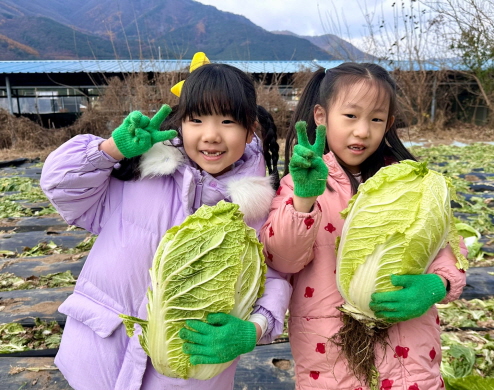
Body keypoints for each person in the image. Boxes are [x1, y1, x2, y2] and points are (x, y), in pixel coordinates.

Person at [40, 52, 291, 390]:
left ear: (250, 131)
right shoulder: (139, 175)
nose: (211, 135)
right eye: (197, 120)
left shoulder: (258, 208)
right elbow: (60, 186)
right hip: (100, 357)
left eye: (228, 121)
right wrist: (110, 149)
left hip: (185, 371)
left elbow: (274, 275)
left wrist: (256, 326)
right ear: (180, 122)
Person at [260, 63, 467, 390]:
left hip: (407, 348)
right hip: (328, 351)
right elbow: (283, 260)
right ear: (321, 116)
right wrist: (303, 199)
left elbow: (449, 247)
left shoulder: (411, 180)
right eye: (351, 116)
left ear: (389, 124)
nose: (362, 131)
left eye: (375, 119)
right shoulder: (299, 183)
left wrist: (436, 285)